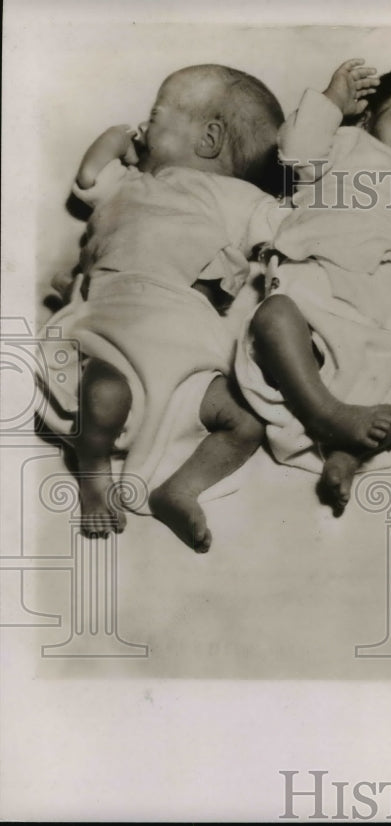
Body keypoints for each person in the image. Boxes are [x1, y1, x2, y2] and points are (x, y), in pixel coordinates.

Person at [38, 65, 287, 552]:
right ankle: (93, 472)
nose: (142, 128)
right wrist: (113, 139)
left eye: (153, 116)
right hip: (112, 327)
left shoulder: (243, 199)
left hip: (186, 346)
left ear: (210, 137)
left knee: (247, 420)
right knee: (105, 392)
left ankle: (181, 489)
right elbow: (89, 177)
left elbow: (291, 231)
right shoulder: (130, 183)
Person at [236, 59, 391, 515]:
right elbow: (296, 151)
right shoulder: (348, 146)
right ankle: (325, 412)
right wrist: (331, 102)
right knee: (272, 314)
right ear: (367, 118)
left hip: (384, 335)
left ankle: (350, 451)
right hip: (312, 307)